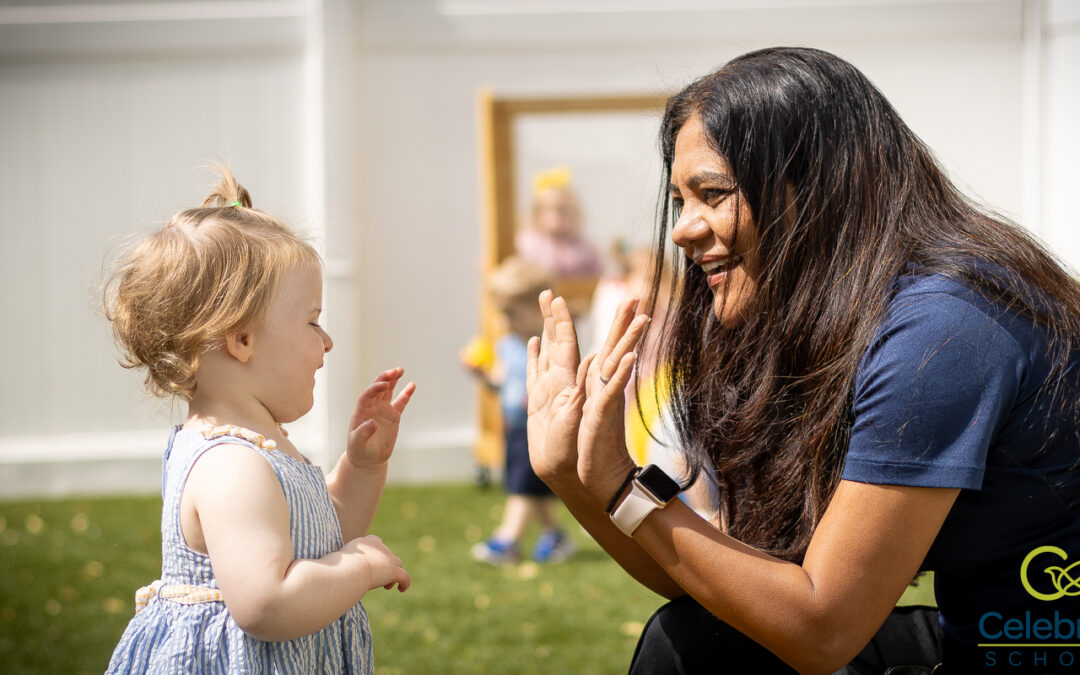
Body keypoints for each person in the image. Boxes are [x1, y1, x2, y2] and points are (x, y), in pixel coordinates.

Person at [525, 47, 1080, 674]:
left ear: (818, 185)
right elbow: (733, 588)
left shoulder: (944, 331)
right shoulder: (837, 317)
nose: (682, 229)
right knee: (691, 641)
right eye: (681, 200)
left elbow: (820, 629)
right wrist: (573, 476)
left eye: (712, 193)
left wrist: (625, 488)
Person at [103, 167, 413, 674]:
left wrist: (362, 467)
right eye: (313, 321)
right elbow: (266, 605)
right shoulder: (232, 466)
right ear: (242, 339)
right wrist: (359, 567)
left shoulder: (257, 445)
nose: (327, 341)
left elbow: (319, 540)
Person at [462, 256, 577, 564]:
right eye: (501, 313)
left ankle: (508, 539)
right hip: (515, 428)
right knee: (528, 483)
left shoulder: (549, 346)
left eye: (511, 314)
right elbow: (499, 384)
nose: (505, 322)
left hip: (538, 426)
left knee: (522, 485)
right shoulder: (506, 345)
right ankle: (556, 536)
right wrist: (481, 374)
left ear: (538, 310)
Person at [515, 165, 604, 280]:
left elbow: (599, 277)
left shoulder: (586, 247)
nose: (561, 216)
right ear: (538, 213)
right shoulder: (528, 243)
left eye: (566, 209)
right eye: (556, 210)